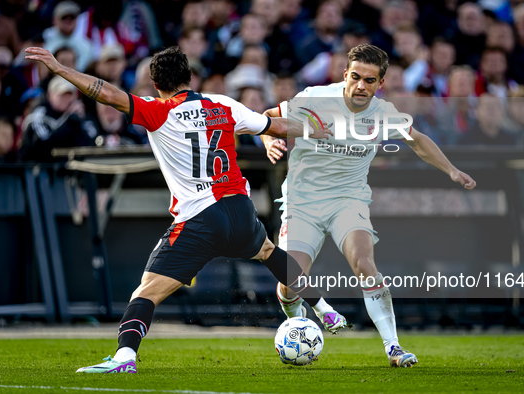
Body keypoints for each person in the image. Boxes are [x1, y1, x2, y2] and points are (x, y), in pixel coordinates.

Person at [25, 45, 338, 374]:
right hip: (240, 209)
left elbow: (106, 94)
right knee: (268, 251)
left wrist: (61, 69)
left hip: (200, 217)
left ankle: (124, 358)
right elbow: (274, 127)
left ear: (154, 83)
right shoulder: (222, 104)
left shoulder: (156, 110)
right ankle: (322, 306)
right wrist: (314, 129)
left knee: (147, 291)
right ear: (189, 77)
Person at [261, 44, 476, 368]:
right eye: (356, 77)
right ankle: (296, 320)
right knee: (290, 279)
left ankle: (394, 347)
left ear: (380, 84)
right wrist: (269, 141)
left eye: (370, 80)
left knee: (364, 264)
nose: (362, 86)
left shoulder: (383, 113)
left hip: (349, 200)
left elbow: (416, 139)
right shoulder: (314, 98)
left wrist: (451, 170)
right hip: (303, 201)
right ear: (345, 75)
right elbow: (267, 117)